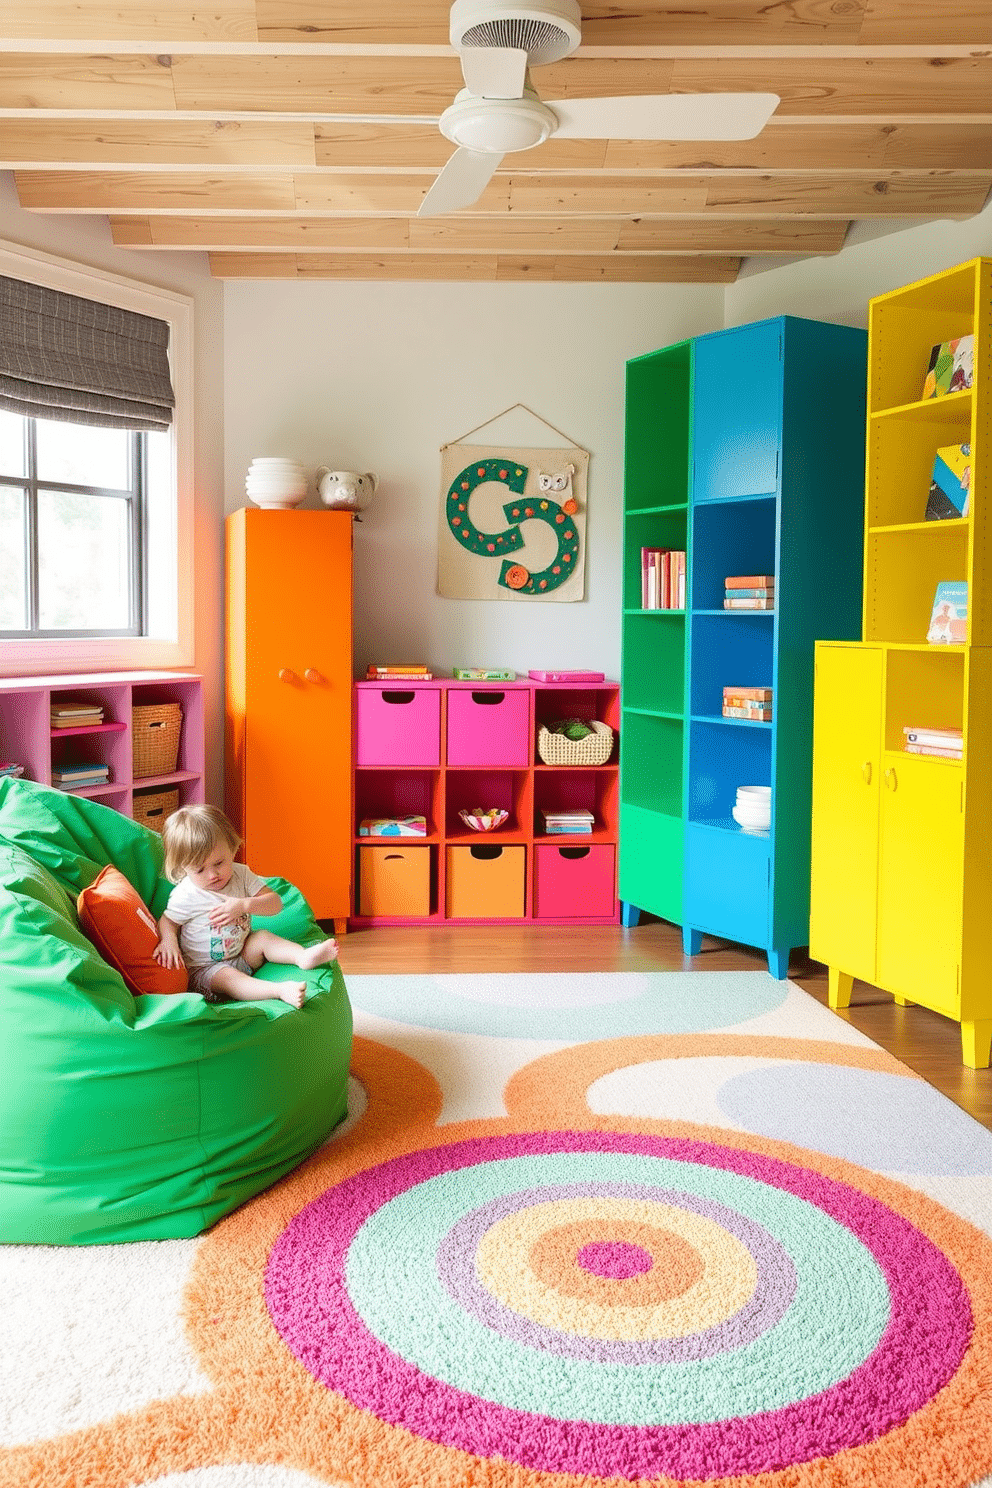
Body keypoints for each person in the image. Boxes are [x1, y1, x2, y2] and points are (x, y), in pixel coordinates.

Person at [153, 803, 337, 1009]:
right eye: (200, 870)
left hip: (242, 953)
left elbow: (275, 904)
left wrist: (244, 905)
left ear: (232, 849)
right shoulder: (186, 895)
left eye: (219, 863)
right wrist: (168, 941)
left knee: (263, 937)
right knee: (229, 977)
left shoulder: (241, 875)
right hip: (205, 971)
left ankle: (303, 957)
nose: (213, 875)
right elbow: (168, 921)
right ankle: (279, 991)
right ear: (183, 868)